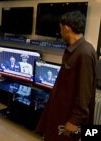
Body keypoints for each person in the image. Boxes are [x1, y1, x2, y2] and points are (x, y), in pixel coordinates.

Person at [36, 11, 97, 141]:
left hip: (68, 120)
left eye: (60, 29)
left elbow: (84, 93)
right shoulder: (72, 49)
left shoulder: (85, 52)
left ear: (66, 28)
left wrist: (75, 120)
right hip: (59, 112)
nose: (60, 32)